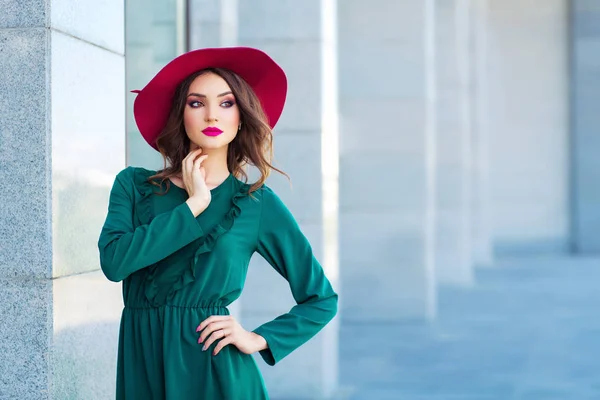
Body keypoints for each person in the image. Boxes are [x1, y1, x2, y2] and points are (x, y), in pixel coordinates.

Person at [97, 46, 338, 399]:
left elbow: (321, 299)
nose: (212, 115)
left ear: (242, 116)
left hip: (216, 373)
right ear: (181, 114)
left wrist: (258, 338)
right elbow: (115, 263)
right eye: (197, 103)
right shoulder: (133, 185)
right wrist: (193, 206)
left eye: (226, 104)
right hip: (143, 366)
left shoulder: (255, 203)